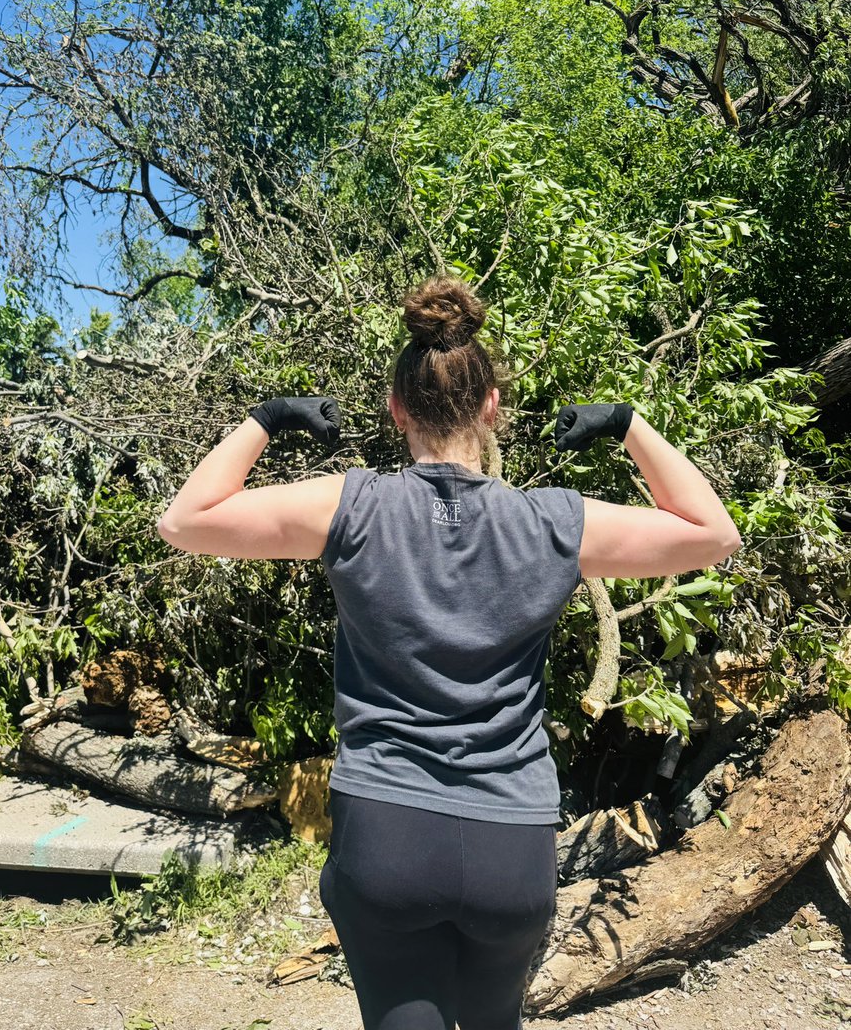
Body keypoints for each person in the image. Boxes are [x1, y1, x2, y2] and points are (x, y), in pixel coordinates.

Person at [157, 275, 742, 1030]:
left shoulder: (353, 505)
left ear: (397, 409)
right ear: (492, 406)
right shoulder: (551, 524)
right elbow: (714, 534)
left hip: (385, 835)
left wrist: (267, 420)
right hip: (512, 845)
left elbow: (185, 520)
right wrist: (630, 425)